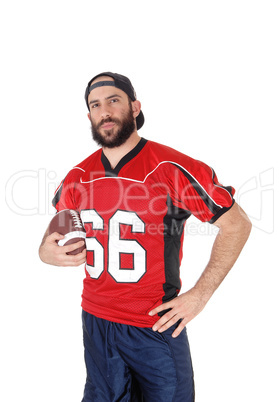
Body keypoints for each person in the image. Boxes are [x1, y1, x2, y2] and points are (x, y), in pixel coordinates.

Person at [39, 72, 252, 401]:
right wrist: (45, 250)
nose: (105, 111)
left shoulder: (170, 166)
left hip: (154, 325)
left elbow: (237, 224)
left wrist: (200, 294)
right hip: (95, 320)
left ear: (135, 107)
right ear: (90, 117)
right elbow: (60, 222)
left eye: (114, 100)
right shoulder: (78, 175)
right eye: (96, 105)